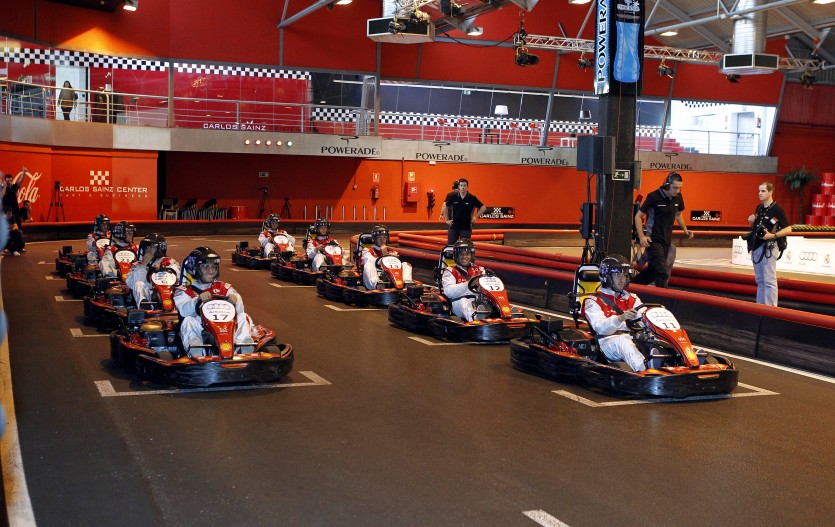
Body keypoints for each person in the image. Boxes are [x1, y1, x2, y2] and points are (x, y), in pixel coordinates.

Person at [173, 247, 254, 355]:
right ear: (194, 268)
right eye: (205, 267)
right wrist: (198, 300)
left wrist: (234, 301)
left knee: (244, 316)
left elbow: (240, 310)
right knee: (188, 320)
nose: (210, 271)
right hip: (202, 330)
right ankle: (196, 349)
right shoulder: (184, 291)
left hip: (225, 327)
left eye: (213, 267)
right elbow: (183, 311)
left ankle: (241, 347)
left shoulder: (224, 287)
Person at [582, 254, 646, 372]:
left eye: (624, 275)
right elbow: (601, 328)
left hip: (632, 337)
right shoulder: (593, 301)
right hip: (606, 341)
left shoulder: (632, 298)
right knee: (622, 342)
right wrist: (620, 318)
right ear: (606, 277)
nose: (622, 280)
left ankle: (671, 367)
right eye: (617, 275)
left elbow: (643, 316)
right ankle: (647, 373)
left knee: (653, 339)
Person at [632, 172, 693, 287]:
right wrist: (641, 237)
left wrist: (685, 229)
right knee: (663, 273)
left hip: (666, 241)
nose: (678, 191)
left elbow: (678, 214)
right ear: (667, 185)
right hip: (653, 240)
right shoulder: (653, 197)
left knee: (653, 272)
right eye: (675, 188)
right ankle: (662, 296)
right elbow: (638, 216)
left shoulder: (678, 197)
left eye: (680, 188)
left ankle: (630, 286)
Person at [747, 182, 791, 306]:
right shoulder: (759, 208)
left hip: (769, 248)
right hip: (756, 246)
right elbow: (756, 227)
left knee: (769, 280)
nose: (759, 193)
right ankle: (760, 307)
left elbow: (788, 229)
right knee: (760, 280)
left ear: (770, 192)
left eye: (763, 191)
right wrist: (751, 222)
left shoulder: (777, 209)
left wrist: (773, 235)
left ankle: (771, 310)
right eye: (759, 191)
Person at [125, 233, 180, 307]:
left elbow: (177, 277)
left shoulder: (169, 262)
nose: (148, 250)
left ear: (160, 248)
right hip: (149, 295)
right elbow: (131, 283)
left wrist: (163, 270)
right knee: (138, 284)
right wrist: (143, 265)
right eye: (147, 247)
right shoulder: (138, 264)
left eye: (151, 247)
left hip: (167, 292)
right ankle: (145, 307)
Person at [440, 238, 488, 322]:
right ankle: (476, 322)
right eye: (461, 254)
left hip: (478, 301)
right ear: (456, 256)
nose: (464, 257)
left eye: (467, 254)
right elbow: (448, 292)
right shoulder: (450, 271)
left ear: (471, 255)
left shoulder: (480, 270)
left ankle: (505, 317)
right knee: (464, 302)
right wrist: (468, 284)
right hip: (458, 303)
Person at [360, 225, 413, 290]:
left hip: (391, 275)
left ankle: (406, 283)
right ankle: (377, 285)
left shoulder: (391, 251)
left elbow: (397, 263)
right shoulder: (368, 250)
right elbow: (368, 261)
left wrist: (389, 255)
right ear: (374, 239)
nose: (382, 240)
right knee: (368, 264)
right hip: (376, 276)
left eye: (384, 237)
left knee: (406, 264)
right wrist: (384, 255)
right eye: (379, 237)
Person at [440, 178, 486, 245]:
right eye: (461, 185)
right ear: (459, 186)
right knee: (451, 246)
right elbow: (445, 206)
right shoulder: (454, 197)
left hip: (466, 228)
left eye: (464, 185)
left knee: (464, 247)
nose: (463, 187)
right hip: (453, 227)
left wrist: (475, 217)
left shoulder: (472, 198)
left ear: (467, 187)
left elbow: (483, 207)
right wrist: (447, 220)